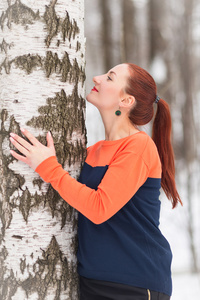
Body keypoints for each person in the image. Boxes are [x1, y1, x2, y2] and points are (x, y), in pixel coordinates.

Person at [10, 63, 182, 300]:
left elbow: (99, 207)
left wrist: (47, 167)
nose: (97, 78)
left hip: (135, 283)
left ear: (126, 101)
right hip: (94, 281)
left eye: (110, 78)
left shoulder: (138, 146)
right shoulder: (93, 151)